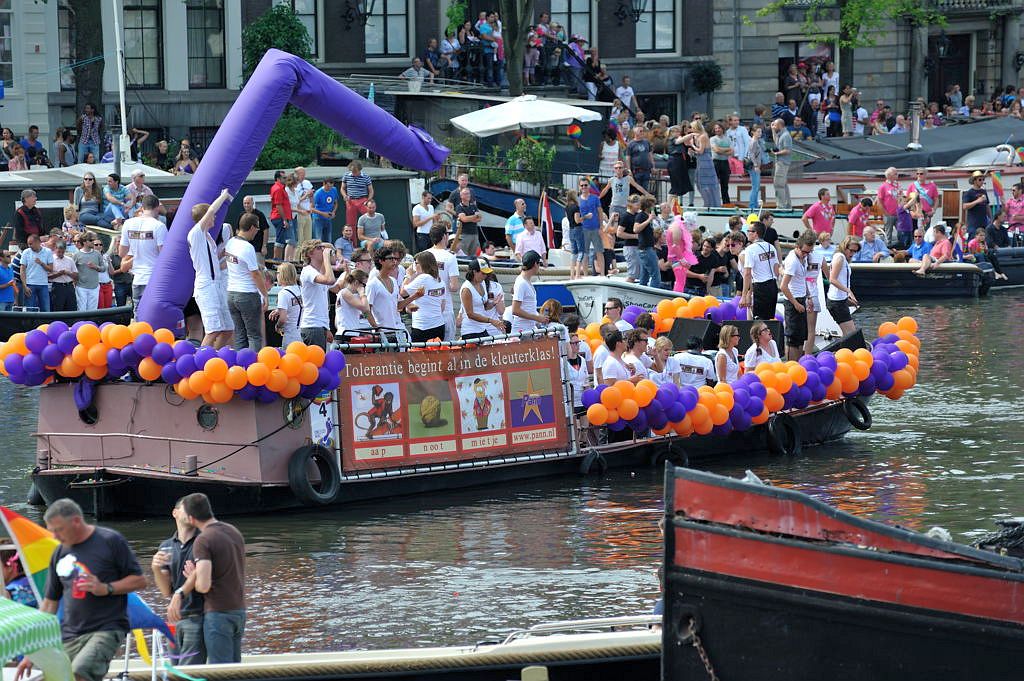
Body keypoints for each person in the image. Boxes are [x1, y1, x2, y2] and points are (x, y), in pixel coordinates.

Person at [15, 499, 145, 681]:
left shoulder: (110, 541)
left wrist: (106, 588)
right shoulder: (59, 553)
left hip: (106, 628)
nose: (55, 537)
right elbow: (49, 605)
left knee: (78, 674)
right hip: (70, 633)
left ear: (76, 521)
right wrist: (33, 652)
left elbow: (139, 581)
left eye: (58, 530)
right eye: (51, 531)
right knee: (57, 677)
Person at [177, 493, 246, 665]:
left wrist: (195, 574)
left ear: (192, 519)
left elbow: (204, 586)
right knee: (235, 671)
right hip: (239, 611)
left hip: (218, 613)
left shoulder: (204, 540)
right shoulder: (234, 532)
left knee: (220, 670)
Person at [152, 498, 206, 666]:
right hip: (175, 619)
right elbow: (166, 591)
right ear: (175, 513)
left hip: (197, 616)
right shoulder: (166, 546)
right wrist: (156, 569)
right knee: (174, 670)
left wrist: (194, 577)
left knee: (189, 671)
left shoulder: (203, 541)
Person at [188, 190, 235, 348]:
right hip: (206, 286)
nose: (215, 217)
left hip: (217, 284)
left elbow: (215, 264)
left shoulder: (207, 237)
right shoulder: (196, 234)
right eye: (212, 216)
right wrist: (223, 197)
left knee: (228, 329)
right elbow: (211, 211)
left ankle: (214, 356)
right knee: (213, 330)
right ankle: (202, 360)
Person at [225, 214, 268, 351]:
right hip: (247, 294)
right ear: (251, 227)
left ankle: (239, 368)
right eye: (257, 229)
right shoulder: (247, 247)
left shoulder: (231, 242)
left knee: (240, 335)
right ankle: (254, 369)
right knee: (254, 335)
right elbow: (255, 274)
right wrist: (265, 295)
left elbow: (240, 264)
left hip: (231, 293)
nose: (257, 232)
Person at [118, 195, 165, 307]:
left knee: (138, 314)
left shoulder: (128, 223)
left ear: (142, 207)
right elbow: (164, 255)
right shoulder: (159, 226)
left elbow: (122, 253)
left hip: (137, 278)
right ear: (157, 207)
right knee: (154, 313)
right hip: (154, 277)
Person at [780, 232, 815, 360]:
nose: (806, 255)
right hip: (793, 302)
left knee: (801, 338)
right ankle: (792, 366)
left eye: (808, 252)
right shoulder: (793, 261)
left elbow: (803, 279)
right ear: (798, 246)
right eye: (804, 251)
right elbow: (783, 286)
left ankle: (799, 364)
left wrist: (809, 297)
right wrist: (795, 303)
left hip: (801, 298)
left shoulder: (803, 258)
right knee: (793, 339)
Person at [297, 239, 337, 349]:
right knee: (317, 364)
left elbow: (337, 288)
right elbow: (330, 280)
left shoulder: (319, 272)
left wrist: (326, 328)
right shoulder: (308, 271)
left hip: (319, 326)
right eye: (319, 248)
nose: (323, 250)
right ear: (310, 253)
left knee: (320, 363)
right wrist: (326, 260)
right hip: (312, 326)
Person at [402, 251, 448, 342]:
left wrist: (408, 275)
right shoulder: (440, 281)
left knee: (418, 355)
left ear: (423, 264)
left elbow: (403, 292)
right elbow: (442, 307)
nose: (414, 266)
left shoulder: (423, 278)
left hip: (422, 327)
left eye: (416, 263)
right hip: (439, 325)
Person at [740, 221, 780, 320]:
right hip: (773, 286)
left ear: (755, 233)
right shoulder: (771, 246)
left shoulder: (750, 249)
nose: (747, 233)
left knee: (758, 322)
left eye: (749, 231)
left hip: (761, 286)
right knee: (769, 320)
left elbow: (747, 274)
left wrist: (744, 296)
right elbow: (776, 269)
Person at [460, 257, 505, 340]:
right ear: (474, 272)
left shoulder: (482, 283)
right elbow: (470, 314)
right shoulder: (466, 289)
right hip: (470, 331)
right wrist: (491, 321)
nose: (485, 276)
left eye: (486, 273)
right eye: (483, 273)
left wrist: (494, 303)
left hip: (482, 329)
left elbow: (484, 307)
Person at [827, 235, 861, 335]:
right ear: (844, 247)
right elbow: (832, 279)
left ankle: (846, 349)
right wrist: (848, 291)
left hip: (839, 301)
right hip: (837, 303)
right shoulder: (840, 258)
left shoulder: (842, 258)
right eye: (851, 250)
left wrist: (848, 299)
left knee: (848, 334)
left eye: (855, 251)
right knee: (851, 334)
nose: (853, 253)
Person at [510, 251, 548, 335]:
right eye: (539, 263)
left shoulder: (526, 281)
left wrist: (539, 318)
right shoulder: (521, 283)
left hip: (529, 329)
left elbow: (528, 307)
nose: (539, 266)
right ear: (535, 264)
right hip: (522, 331)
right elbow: (515, 310)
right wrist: (537, 318)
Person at [268, 262, 302, 347]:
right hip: (304, 332)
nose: (277, 275)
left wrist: (278, 326)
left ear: (282, 275)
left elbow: (283, 318)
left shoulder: (283, 293)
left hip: (291, 335)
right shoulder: (301, 289)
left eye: (278, 273)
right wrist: (278, 310)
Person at [577, 180, 604, 276]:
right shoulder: (577, 200)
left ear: (589, 186)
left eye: (585, 185)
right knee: (585, 253)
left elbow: (600, 212)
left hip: (596, 228)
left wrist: (601, 226)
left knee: (599, 251)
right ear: (579, 187)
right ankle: (585, 275)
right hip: (583, 229)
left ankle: (602, 274)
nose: (584, 187)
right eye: (582, 185)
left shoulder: (595, 198)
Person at [20, 234, 53, 311]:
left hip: (43, 284)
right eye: (28, 244)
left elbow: (51, 269)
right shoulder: (26, 252)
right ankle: (30, 323)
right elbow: (22, 270)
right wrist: (24, 286)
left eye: (31, 244)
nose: (29, 246)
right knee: (29, 309)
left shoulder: (48, 252)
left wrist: (41, 263)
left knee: (46, 309)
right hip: (30, 284)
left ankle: (45, 323)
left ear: (38, 242)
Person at [72, 232, 104, 312]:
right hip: (81, 287)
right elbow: (72, 270)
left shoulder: (97, 254)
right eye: (91, 240)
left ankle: (91, 324)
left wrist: (95, 267)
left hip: (95, 286)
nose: (94, 242)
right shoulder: (77, 255)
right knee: (81, 310)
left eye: (94, 240)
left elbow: (104, 268)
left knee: (93, 310)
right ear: (85, 242)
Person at [269, 171, 296, 262]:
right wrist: (285, 220)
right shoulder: (278, 189)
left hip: (281, 217)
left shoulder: (280, 188)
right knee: (280, 240)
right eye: (284, 178)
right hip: (279, 217)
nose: (286, 179)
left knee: (283, 240)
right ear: (278, 179)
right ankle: (277, 260)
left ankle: (279, 260)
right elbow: (278, 205)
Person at [341, 160, 374, 229]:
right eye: (352, 171)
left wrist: (368, 201)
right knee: (350, 223)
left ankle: (369, 238)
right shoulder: (346, 176)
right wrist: (344, 195)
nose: (353, 173)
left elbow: (371, 191)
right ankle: (351, 239)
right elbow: (342, 188)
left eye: (355, 172)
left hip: (363, 200)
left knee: (368, 219)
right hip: (350, 201)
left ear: (359, 170)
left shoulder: (366, 177)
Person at [48, 241, 78, 312]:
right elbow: (48, 277)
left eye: (62, 252)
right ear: (55, 249)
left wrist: (68, 273)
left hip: (69, 286)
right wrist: (58, 274)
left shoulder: (69, 260)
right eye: (59, 252)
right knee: (58, 308)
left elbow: (76, 276)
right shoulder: (51, 260)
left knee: (72, 308)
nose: (60, 254)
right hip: (58, 287)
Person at [770, 119, 793, 210]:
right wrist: (772, 130)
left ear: (780, 125)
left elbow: (788, 150)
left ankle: (781, 206)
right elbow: (776, 142)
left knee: (778, 184)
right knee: (783, 184)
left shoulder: (786, 135)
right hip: (780, 162)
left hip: (783, 162)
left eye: (775, 125)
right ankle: (787, 205)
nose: (774, 127)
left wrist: (777, 153)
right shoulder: (781, 134)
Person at [452, 188, 482, 258]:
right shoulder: (459, 207)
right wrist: (475, 216)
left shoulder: (473, 206)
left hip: (475, 234)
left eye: (468, 193)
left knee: (476, 254)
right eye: (465, 194)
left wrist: (469, 218)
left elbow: (479, 218)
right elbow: (464, 219)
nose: (468, 195)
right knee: (464, 255)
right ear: (461, 196)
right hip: (464, 235)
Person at [709, 121, 733, 204]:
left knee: (725, 185)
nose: (717, 130)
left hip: (725, 163)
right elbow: (716, 150)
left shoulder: (728, 139)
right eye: (715, 128)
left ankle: (726, 203)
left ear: (722, 129)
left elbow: (731, 151)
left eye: (719, 128)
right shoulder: (712, 139)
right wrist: (726, 150)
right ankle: (714, 202)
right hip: (715, 163)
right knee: (714, 184)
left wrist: (720, 150)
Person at [310, 177, 339, 244]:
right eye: (328, 186)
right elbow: (311, 208)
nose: (330, 188)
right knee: (318, 239)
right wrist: (323, 213)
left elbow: (336, 202)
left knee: (328, 239)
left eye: (331, 186)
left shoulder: (334, 190)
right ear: (324, 184)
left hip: (328, 219)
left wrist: (333, 212)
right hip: (318, 219)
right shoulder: (318, 193)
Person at [626, 126, 655, 192]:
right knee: (637, 190)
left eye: (643, 131)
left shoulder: (646, 142)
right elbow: (628, 158)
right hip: (636, 171)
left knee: (645, 190)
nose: (642, 132)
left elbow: (650, 155)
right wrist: (629, 170)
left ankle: (644, 202)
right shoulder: (631, 144)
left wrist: (653, 166)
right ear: (635, 133)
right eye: (640, 131)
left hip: (646, 170)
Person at [878, 167, 901, 243]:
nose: (897, 175)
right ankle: (888, 248)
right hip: (889, 214)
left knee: (901, 231)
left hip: (898, 213)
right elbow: (879, 201)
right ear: (889, 176)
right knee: (888, 234)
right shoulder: (883, 186)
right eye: (895, 174)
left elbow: (901, 197)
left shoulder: (897, 185)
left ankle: (900, 247)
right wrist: (886, 213)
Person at [746, 124, 764, 209]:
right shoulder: (753, 141)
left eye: (760, 131)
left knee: (756, 187)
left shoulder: (756, 141)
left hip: (756, 166)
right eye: (758, 132)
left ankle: (754, 205)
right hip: (754, 167)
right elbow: (751, 154)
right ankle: (752, 206)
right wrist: (756, 165)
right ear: (753, 132)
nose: (760, 133)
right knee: (755, 187)